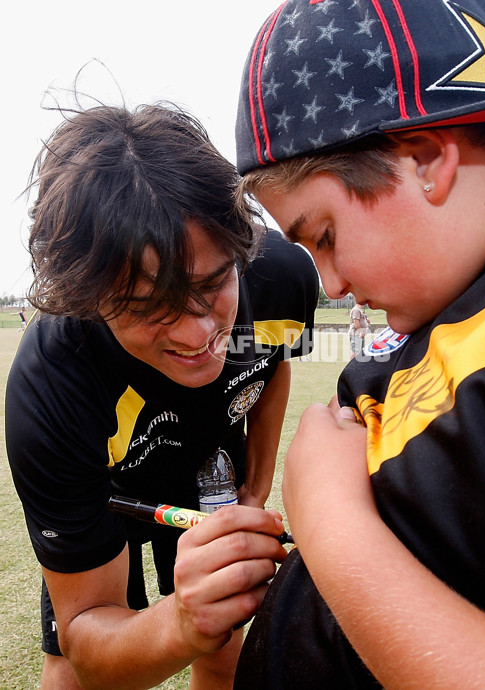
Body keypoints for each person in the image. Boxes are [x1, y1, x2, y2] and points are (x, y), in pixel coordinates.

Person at [232, 0, 485, 687]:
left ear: (426, 159)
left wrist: (333, 525)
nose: (334, 284)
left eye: (327, 236)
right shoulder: (469, 287)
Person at [5, 101, 318, 689]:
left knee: (223, 642)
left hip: (207, 482)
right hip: (110, 502)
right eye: (149, 308)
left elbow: (272, 369)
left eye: (213, 283)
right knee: (70, 673)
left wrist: (254, 486)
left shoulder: (282, 277)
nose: (200, 335)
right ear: (87, 297)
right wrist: (177, 621)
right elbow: (90, 641)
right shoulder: (53, 382)